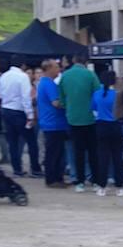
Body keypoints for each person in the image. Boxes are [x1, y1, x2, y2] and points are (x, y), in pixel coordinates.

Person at [60, 53, 100, 192]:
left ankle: (80, 181)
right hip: (90, 118)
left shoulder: (65, 76)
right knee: (93, 151)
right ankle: (96, 180)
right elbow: (97, 95)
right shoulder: (91, 75)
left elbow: (62, 98)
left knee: (78, 152)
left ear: (73, 60)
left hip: (73, 118)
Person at [0, 60, 39, 178]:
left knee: (12, 141)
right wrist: (30, 115)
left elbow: (0, 94)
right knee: (31, 141)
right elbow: (25, 97)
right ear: (23, 65)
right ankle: (35, 168)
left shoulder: (3, 76)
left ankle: (17, 168)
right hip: (19, 111)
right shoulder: (22, 77)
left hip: (6, 109)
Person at [34, 60, 69, 188]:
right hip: (53, 123)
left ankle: (57, 177)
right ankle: (52, 179)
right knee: (53, 153)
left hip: (53, 122)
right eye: (56, 67)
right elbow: (56, 102)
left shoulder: (46, 83)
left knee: (57, 152)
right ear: (48, 69)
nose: (58, 69)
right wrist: (68, 104)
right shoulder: (48, 84)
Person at [91, 70, 123, 197]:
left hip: (101, 126)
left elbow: (93, 108)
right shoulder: (118, 95)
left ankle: (102, 186)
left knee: (102, 158)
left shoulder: (97, 94)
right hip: (115, 126)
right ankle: (119, 186)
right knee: (117, 157)